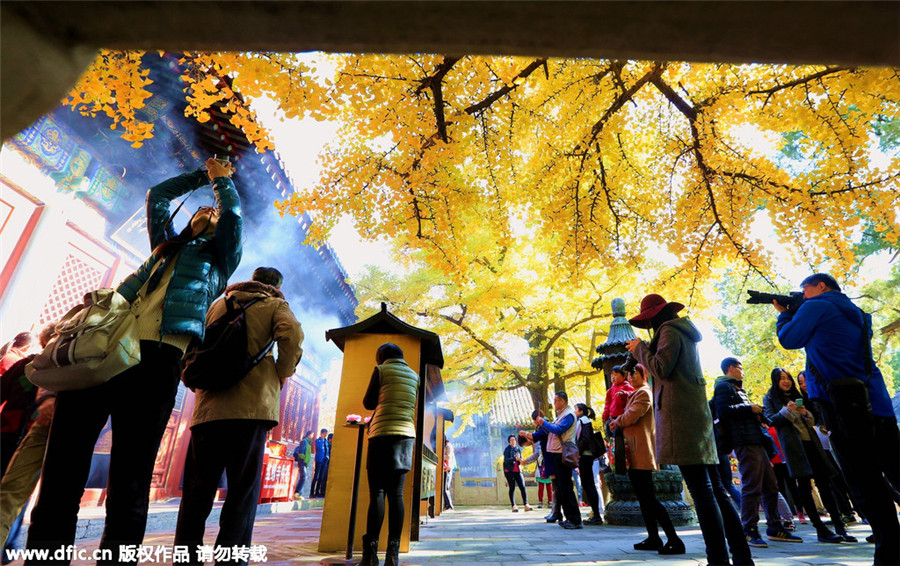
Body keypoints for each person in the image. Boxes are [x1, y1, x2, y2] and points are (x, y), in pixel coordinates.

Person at [26, 158, 241, 566]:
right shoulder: (164, 247)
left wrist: (221, 181)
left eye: (213, 213)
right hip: (103, 349)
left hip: (157, 359)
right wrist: (199, 175)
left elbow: (231, 215)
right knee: (62, 469)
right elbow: (158, 196)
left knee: (131, 476)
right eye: (203, 209)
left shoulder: (220, 261)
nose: (209, 213)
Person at [174, 266, 304, 566]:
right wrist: (282, 373)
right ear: (276, 286)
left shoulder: (218, 304)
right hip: (251, 409)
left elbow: (190, 341)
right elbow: (293, 335)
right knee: (241, 492)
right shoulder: (274, 305)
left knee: (197, 491)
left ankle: (184, 558)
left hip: (209, 410)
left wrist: (192, 378)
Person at [774, 273, 900, 564]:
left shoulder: (816, 306)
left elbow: (790, 339)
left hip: (842, 407)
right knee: (895, 470)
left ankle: (889, 552)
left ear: (820, 286)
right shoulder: (855, 311)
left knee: (865, 482)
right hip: (876, 402)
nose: (802, 295)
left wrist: (783, 315)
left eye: (805, 289)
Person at [626, 293, 753, 566]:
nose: (647, 326)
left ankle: (717, 558)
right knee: (715, 489)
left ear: (656, 316)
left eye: (648, 320)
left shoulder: (670, 330)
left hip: (680, 419)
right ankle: (741, 556)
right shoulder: (680, 331)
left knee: (703, 491)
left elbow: (661, 368)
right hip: (694, 418)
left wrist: (639, 349)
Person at [714, 357, 803, 548]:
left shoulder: (738, 388)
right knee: (751, 486)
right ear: (730, 368)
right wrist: (749, 408)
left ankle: (775, 526)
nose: (743, 371)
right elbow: (723, 412)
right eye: (740, 368)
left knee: (771, 486)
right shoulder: (723, 387)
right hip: (744, 441)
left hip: (756, 440)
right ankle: (749, 529)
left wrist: (756, 414)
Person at [762, 367, 852, 543]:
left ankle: (840, 527)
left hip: (812, 443)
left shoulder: (799, 395)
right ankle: (820, 528)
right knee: (804, 486)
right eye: (781, 378)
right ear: (775, 381)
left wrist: (805, 413)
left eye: (788, 378)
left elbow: (814, 417)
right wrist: (786, 411)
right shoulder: (771, 398)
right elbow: (771, 420)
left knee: (825, 484)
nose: (786, 381)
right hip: (794, 447)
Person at [610, 363, 685, 555]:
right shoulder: (635, 393)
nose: (631, 376)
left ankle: (674, 539)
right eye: (629, 374)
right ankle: (654, 537)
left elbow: (631, 417)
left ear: (644, 375)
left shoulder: (644, 393)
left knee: (649, 498)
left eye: (635, 373)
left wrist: (616, 422)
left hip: (641, 451)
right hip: (635, 452)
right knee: (644, 498)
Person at [359, 343, 420, 566]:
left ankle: (370, 555)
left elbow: (368, 403)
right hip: (405, 437)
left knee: (377, 493)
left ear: (382, 357)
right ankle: (392, 555)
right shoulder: (415, 376)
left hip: (381, 434)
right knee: (397, 494)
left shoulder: (381, 370)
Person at [534, 391, 582, 529]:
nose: (554, 404)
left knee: (566, 487)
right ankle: (569, 517)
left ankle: (575, 519)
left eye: (555, 401)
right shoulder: (562, 415)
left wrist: (544, 422)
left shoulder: (568, 415)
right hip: (556, 453)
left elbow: (558, 430)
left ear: (562, 401)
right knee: (561, 487)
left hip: (562, 453)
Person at [574, 403, 603, 525]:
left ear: (581, 411)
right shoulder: (582, 420)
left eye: (575, 409)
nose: (574, 411)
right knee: (587, 484)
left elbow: (585, 439)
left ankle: (596, 514)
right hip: (584, 456)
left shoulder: (584, 421)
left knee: (589, 484)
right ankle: (595, 513)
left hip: (585, 456)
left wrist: (578, 452)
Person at [521, 410, 554, 513]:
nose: (534, 423)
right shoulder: (545, 426)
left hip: (548, 460)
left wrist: (526, 434)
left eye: (534, 420)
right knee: (549, 486)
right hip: (548, 460)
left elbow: (537, 452)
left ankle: (554, 507)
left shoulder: (544, 427)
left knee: (553, 486)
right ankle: (554, 510)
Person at [602, 364, 633, 471]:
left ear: (623, 376)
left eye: (615, 375)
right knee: (612, 440)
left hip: (622, 418)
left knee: (621, 440)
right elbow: (607, 404)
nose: (613, 378)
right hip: (612, 418)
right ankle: (613, 462)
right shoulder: (610, 390)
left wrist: (624, 393)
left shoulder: (626, 385)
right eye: (611, 376)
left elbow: (632, 393)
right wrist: (605, 415)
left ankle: (624, 461)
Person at [502, 435, 532, 512]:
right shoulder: (507, 449)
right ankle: (514, 506)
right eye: (511, 440)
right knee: (512, 488)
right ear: (509, 441)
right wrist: (514, 459)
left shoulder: (517, 449)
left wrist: (520, 460)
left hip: (518, 470)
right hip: (510, 471)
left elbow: (520, 458)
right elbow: (506, 460)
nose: (513, 441)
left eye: (514, 440)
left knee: (522, 487)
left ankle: (526, 504)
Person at [294, 430, 314, 499]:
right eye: (312, 435)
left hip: (305, 463)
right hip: (302, 462)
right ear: (308, 435)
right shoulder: (304, 441)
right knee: (303, 477)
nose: (312, 436)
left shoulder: (308, 443)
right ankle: (297, 492)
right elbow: (300, 452)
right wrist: (304, 458)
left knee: (303, 477)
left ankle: (299, 493)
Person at [311, 428, 330, 498]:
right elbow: (319, 447)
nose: (325, 435)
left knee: (321, 477)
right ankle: (312, 491)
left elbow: (327, 450)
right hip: (319, 460)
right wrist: (322, 439)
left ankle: (317, 491)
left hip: (325, 460)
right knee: (317, 476)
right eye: (325, 433)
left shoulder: (326, 441)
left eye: (326, 433)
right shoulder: (318, 441)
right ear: (322, 433)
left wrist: (327, 457)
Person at [442, 438, 456, 511]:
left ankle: (449, 505)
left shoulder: (448, 446)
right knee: (444, 487)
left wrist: (440, 455)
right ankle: (447, 504)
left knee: (445, 487)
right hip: (445, 468)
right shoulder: (447, 446)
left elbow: (448, 457)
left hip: (447, 468)